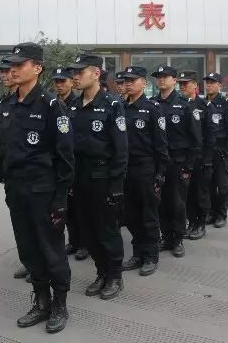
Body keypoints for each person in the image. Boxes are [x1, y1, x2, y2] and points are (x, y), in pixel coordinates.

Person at [1, 43, 74, 333]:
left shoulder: (51, 106)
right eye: (12, 65)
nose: (14, 70)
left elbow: (66, 157)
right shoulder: (7, 105)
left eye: (21, 64)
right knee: (28, 250)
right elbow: (5, 148)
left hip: (43, 191)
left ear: (37, 68)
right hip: (17, 190)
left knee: (51, 250)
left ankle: (59, 304)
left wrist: (60, 199)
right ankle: (41, 301)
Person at [70, 53, 128, 300]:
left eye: (80, 72)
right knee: (87, 231)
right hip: (79, 176)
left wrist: (116, 184)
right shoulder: (73, 106)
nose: (75, 77)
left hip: (103, 176)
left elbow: (121, 148)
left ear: (96, 73)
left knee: (107, 230)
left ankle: (114, 275)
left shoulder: (112, 105)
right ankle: (101, 271)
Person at [120, 66, 169, 276]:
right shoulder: (120, 107)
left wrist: (160, 174)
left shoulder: (152, 109)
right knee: (129, 214)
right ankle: (138, 252)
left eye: (133, 80)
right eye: (126, 80)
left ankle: (150, 255)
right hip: (125, 170)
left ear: (143, 83)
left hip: (145, 169)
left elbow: (161, 145)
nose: (128, 83)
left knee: (148, 214)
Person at [151, 66, 202, 258]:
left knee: (178, 202)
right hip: (158, 163)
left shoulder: (186, 105)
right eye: (159, 77)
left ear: (174, 80)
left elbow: (196, 140)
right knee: (160, 201)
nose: (162, 80)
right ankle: (166, 236)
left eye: (166, 77)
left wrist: (188, 167)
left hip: (178, 163)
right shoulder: (152, 104)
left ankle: (178, 238)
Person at [0, 56, 30, 282]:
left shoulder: (42, 104)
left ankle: (41, 265)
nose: (5, 75)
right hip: (12, 175)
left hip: (34, 177)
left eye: (9, 71)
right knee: (20, 223)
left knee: (38, 225)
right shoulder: (5, 103)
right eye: (2, 72)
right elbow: (3, 142)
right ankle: (28, 261)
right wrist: (1, 168)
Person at [51, 67, 89, 262]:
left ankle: (83, 243)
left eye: (62, 81)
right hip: (60, 162)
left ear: (70, 83)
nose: (59, 85)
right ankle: (73, 241)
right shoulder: (52, 104)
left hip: (77, 161)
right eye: (56, 82)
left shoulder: (77, 103)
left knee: (79, 206)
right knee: (65, 206)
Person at [177, 71, 212, 240]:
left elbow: (209, 135)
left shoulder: (204, 105)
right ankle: (191, 221)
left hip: (200, 158)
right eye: (181, 84)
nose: (182, 87)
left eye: (186, 83)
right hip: (185, 157)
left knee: (200, 192)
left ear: (195, 85)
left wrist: (207, 159)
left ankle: (201, 223)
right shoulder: (180, 104)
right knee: (187, 192)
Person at [203, 73, 228, 228]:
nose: (209, 85)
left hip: (222, 151)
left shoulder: (225, 103)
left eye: (212, 82)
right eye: (207, 82)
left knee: (222, 186)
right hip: (207, 151)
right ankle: (211, 212)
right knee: (208, 184)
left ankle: (221, 215)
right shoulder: (202, 103)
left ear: (219, 86)